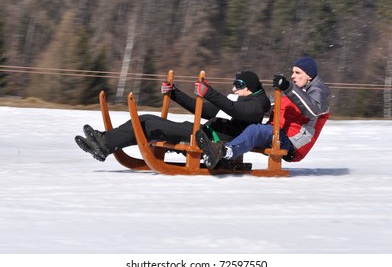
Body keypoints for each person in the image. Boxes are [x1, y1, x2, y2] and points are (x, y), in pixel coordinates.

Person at [75, 71, 271, 162]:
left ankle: (105, 144)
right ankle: (104, 141)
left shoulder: (257, 104)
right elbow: (203, 110)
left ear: (250, 87)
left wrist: (209, 92)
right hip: (202, 132)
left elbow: (236, 111)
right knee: (145, 120)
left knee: (150, 125)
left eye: (238, 84)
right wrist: (174, 93)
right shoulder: (240, 101)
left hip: (211, 140)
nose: (233, 88)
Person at [195, 57, 331, 169]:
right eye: (292, 72)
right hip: (277, 133)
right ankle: (214, 152)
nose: (292, 76)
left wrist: (288, 87)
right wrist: (244, 95)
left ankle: (225, 152)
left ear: (309, 75)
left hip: (293, 144)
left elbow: (313, 110)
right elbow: (266, 105)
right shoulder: (295, 92)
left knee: (255, 130)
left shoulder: (318, 92)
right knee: (241, 124)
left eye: (297, 72)